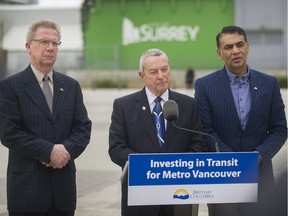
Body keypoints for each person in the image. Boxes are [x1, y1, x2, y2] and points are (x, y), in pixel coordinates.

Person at [0, 20, 92, 216]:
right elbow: (9, 133)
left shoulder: (71, 86)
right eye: (43, 42)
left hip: (63, 192)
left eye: (55, 43)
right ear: (28, 46)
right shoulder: (10, 86)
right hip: (27, 192)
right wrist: (48, 151)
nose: (50, 48)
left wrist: (66, 151)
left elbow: (83, 128)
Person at [194, 25, 287, 216]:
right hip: (222, 176)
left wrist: (257, 156)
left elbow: (280, 129)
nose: (235, 51)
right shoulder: (204, 85)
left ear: (247, 47)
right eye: (228, 47)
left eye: (240, 44)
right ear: (219, 53)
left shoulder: (269, 83)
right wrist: (232, 161)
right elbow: (205, 130)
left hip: (261, 175)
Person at [108, 48, 207, 216]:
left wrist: (176, 168)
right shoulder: (124, 106)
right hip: (141, 195)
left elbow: (199, 144)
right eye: (153, 72)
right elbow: (116, 148)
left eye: (165, 69)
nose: (161, 76)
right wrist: (149, 168)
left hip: (179, 193)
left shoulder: (189, 105)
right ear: (142, 75)